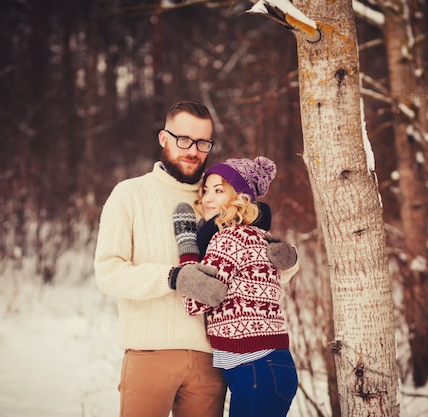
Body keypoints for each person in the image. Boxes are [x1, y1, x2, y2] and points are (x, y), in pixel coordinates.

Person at [94, 101, 297, 417]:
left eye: (203, 142)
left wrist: (285, 259)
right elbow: (108, 272)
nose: (193, 150)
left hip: (211, 361)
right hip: (150, 354)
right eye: (183, 139)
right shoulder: (130, 194)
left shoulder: (217, 198)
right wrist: (172, 277)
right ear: (163, 138)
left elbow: (253, 268)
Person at [168, 157, 299, 417]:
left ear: (240, 197)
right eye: (205, 190)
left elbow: (196, 302)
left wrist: (185, 260)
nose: (207, 198)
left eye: (219, 190)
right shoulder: (257, 235)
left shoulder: (226, 238)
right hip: (267, 366)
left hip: (255, 367)